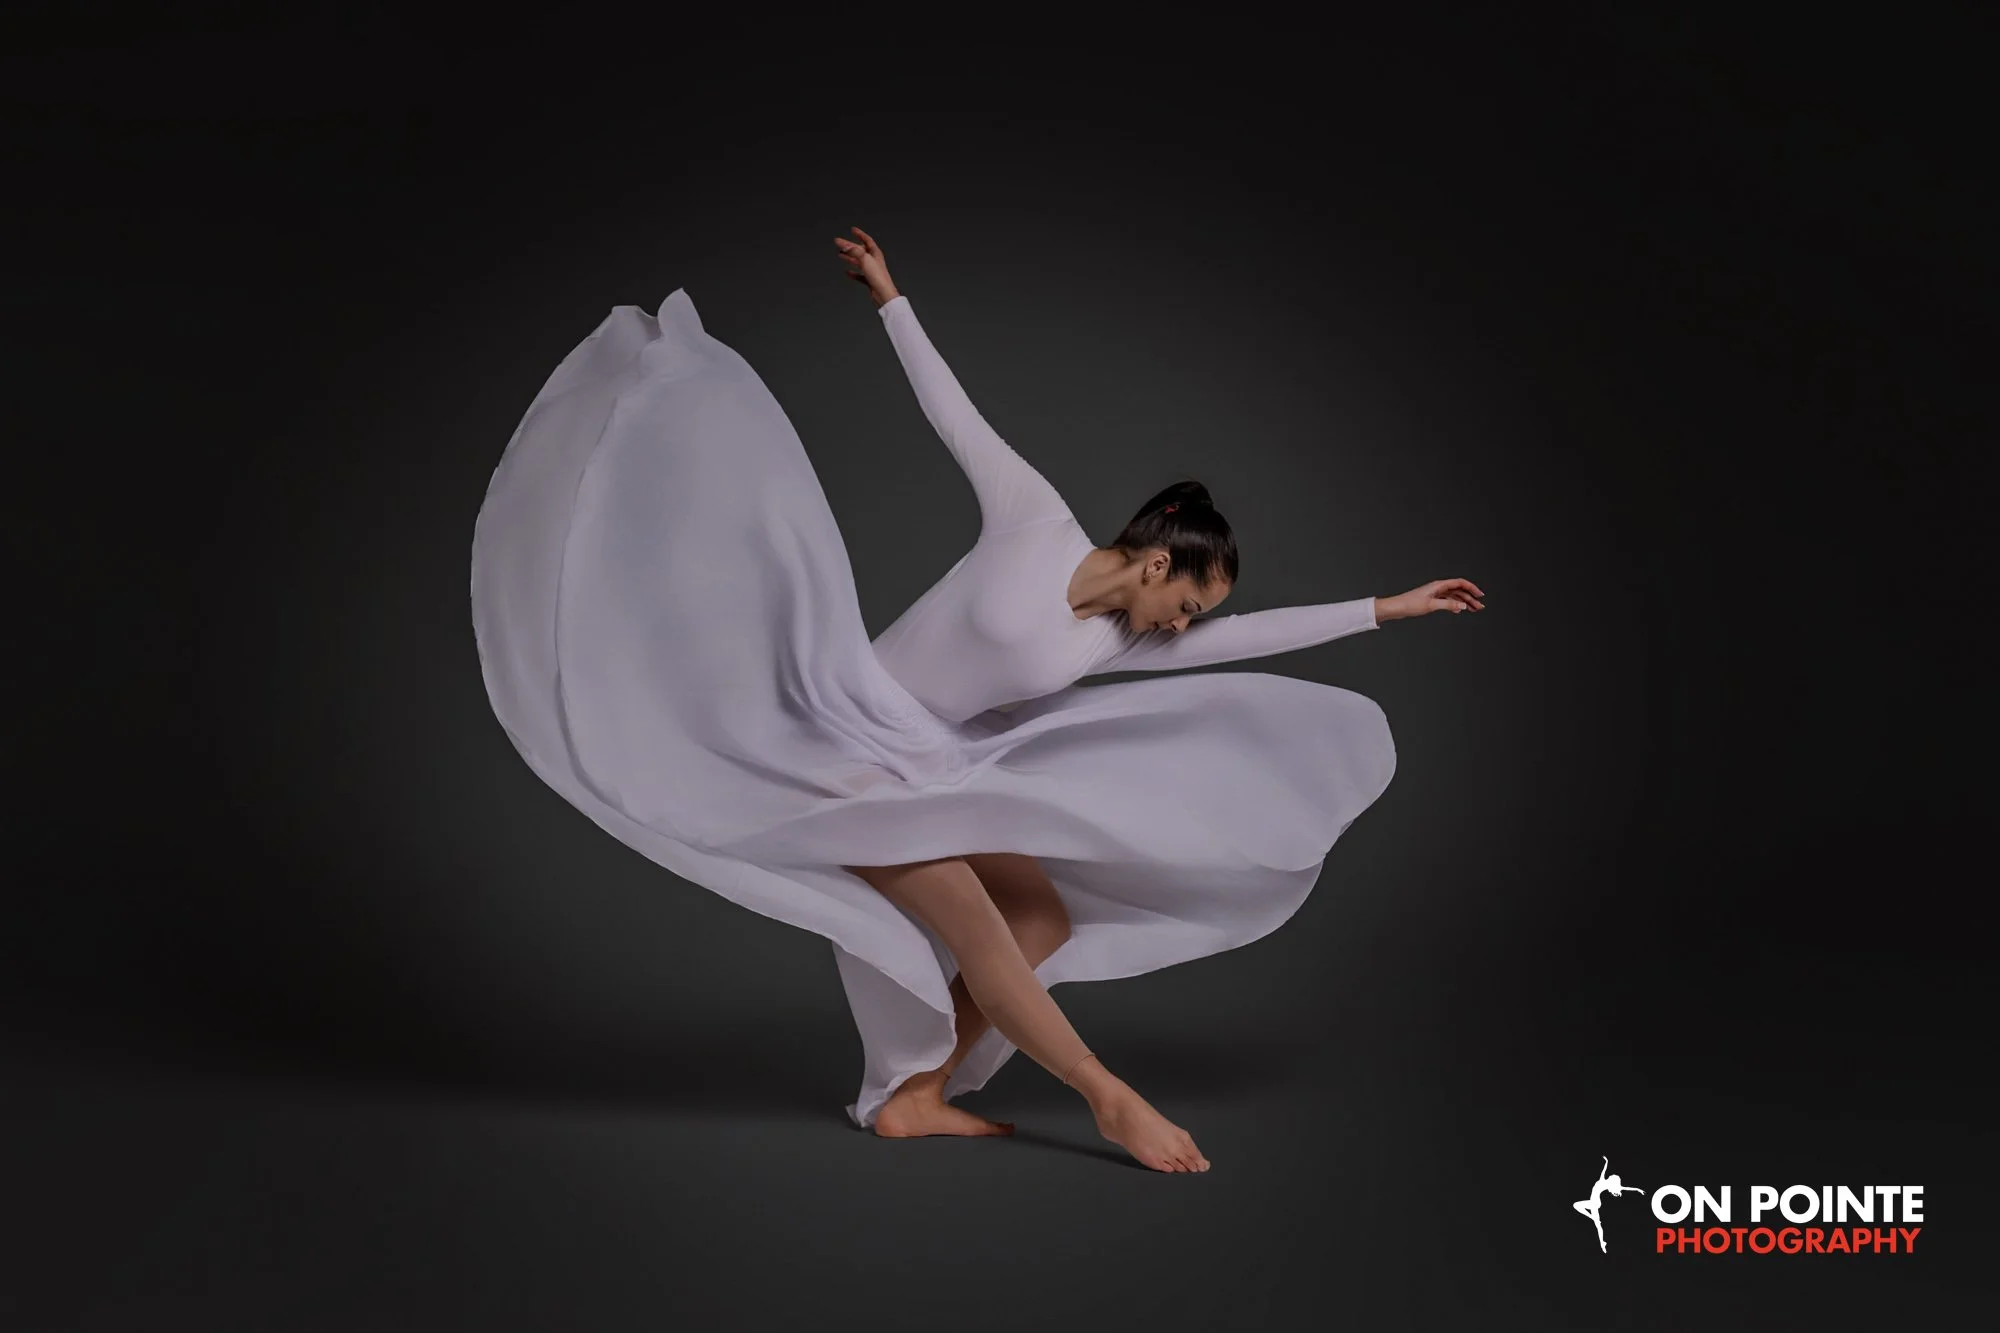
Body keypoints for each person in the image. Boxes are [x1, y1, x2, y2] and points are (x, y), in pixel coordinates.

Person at [469, 225, 1483, 1174]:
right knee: (990, 939)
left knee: (1037, 919)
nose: (1182, 624)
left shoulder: (1112, 640)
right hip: (837, 740)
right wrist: (891, 301)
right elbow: (954, 416)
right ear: (1159, 558)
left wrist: (1381, 610)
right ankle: (1104, 1094)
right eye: (1186, 600)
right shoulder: (1033, 518)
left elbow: (1245, 640)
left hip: (928, 765)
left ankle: (914, 1090)